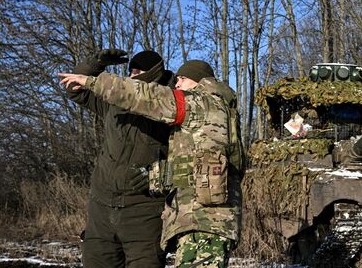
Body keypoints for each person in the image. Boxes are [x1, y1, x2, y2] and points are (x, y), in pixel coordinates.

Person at [59, 59, 242, 268]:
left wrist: (94, 81)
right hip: (201, 219)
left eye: (183, 79)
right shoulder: (220, 112)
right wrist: (161, 174)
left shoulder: (200, 102)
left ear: (199, 82)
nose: (178, 84)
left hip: (205, 220)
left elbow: (148, 97)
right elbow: (208, 167)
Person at [65, 49, 174, 268]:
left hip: (144, 212)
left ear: (153, 74)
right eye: (130, 71)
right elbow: (75, 89)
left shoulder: (170, 107)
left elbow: (187, 159)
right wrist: (94, 64)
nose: (132, 75)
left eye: (138, 71)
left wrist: (162, 173)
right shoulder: (114, 101)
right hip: (102, 208)